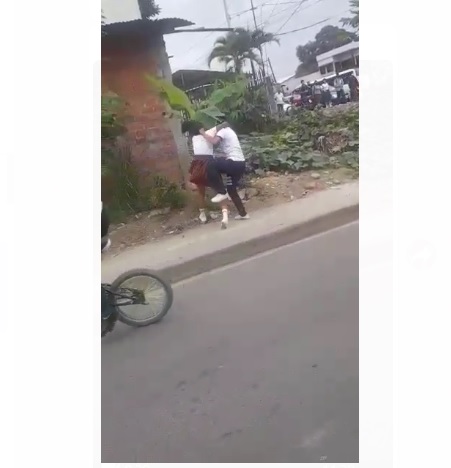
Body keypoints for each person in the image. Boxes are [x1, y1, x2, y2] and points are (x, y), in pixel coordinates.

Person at [199, 123, 249, 227]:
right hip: (240, 164)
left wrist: (203, 133)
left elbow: (214, 141)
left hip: (234, 163)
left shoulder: (222, 130)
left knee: (210, 165)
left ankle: (221, 192)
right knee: (231, 190)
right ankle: (243, 214)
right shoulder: (231, 131)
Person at [181, 120, 222, 224]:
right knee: (217, 188)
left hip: (198, 163)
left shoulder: (192, 138)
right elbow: (224, 126)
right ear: (199, 129)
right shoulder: (206, 134)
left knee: (201, 191)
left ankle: (203, 213)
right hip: (207, 162)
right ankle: (218, 210)